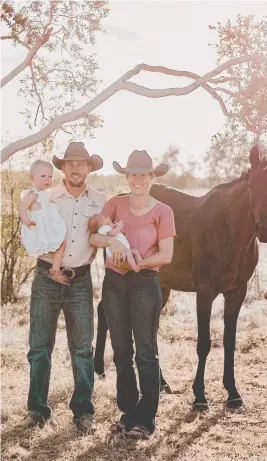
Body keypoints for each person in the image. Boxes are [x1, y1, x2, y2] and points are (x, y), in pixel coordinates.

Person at [20, 142, 114, 434]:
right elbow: (29, 226)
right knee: (39, 347)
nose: (75, 168)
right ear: (62, 168)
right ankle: (37, 411)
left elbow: (105, 232)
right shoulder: (46, 196)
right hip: (46, 276)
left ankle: (84, 412)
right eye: (70, 164)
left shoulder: (100, 200)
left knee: (83, 349)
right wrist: (50, 261)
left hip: (81, 280)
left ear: (89, 168)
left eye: (81, 164)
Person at [89, 149, 176, 439]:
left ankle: (147, 418)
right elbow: (94, 236)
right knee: (121, 351)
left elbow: (166, 254)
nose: (137, 179)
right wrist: (115, 247)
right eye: (132, 174)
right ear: (126, 177)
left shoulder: (163, 211)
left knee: (146, 353)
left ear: (151, 177)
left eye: (143, 174)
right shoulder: (114, 204)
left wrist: (138, 261)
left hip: (145, 284)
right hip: (114, 285)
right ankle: (128, 413)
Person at [19, 159, 68, 284]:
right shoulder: (32, 194)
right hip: (39, 227)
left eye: (50, 177)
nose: (47, 179)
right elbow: (22, 207)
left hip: (49, 226)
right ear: (32, 177)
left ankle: (55, 270)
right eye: (43, 176)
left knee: (61, 244)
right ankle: (54, 269)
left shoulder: (48, 193)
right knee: (54, 245)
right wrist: (25, 219)